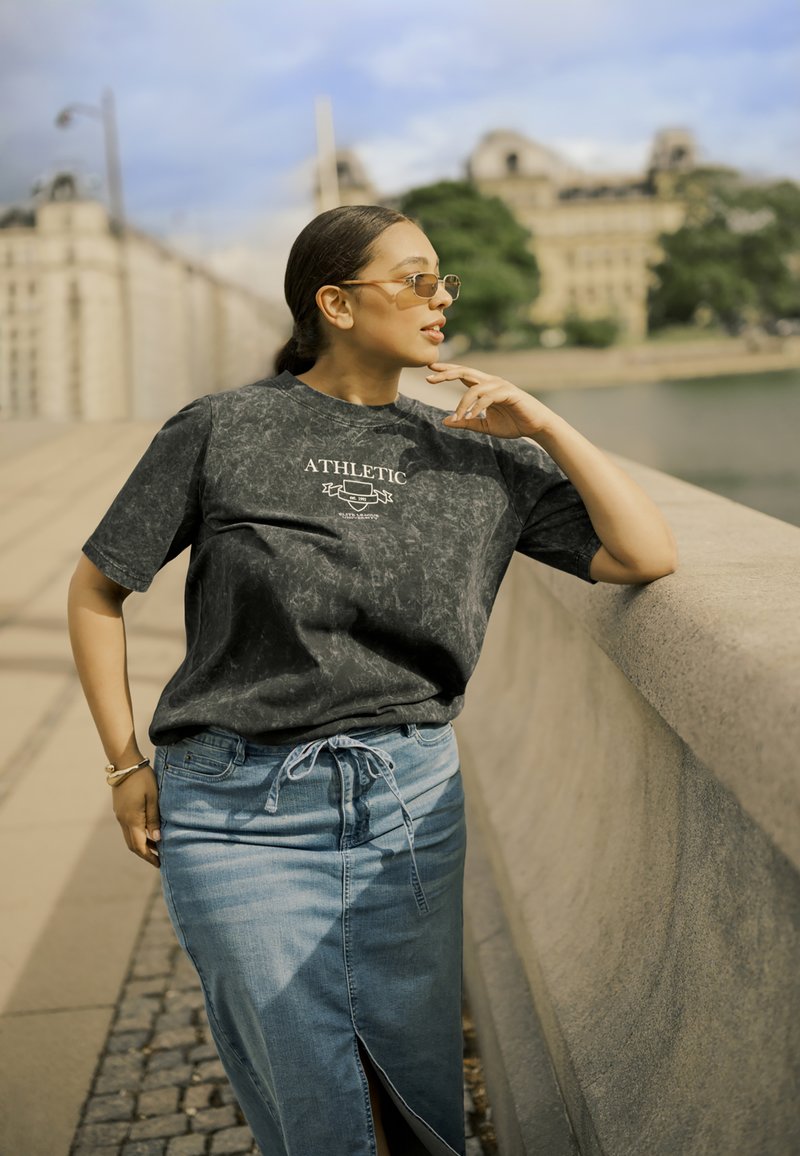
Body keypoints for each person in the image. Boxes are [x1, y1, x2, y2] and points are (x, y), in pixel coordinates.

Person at [67, 204, 678, 1156]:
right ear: (335, 303)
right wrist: (121, 764)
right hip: (237, 815)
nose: (439, 300)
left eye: (443, 282)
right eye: (415, 279)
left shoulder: (481, 457)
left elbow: (644, 555)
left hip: (409, 805)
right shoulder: (225, 427)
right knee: (314, 1103)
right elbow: (97, 589)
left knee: (417, 1096)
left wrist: (548, 426)